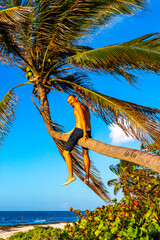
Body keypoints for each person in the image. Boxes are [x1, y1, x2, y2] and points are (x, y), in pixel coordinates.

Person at [63, 94, 91, 186]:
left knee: (66, 152)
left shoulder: (77, 105)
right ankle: (87, 177)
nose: (70, 102)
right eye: (68, 102)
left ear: (76, 98)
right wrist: (70, 132)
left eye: (71, 100)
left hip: (80, 131)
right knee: (85, 154)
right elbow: (79, 121)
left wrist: (83, 133)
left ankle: (71, 176)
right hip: (87, 130)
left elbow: (82, 118)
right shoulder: (84, 106)